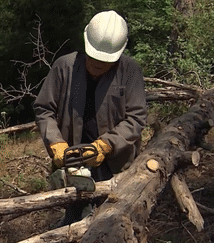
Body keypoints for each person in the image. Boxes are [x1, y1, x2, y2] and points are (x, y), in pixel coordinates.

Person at [33, 10, 147, 225]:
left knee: (113, 220)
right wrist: (55, 143)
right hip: (73, 160)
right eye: (94, 58)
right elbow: (44, 109)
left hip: (115, 164)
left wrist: (105, 145)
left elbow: (137, 118)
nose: (99, 64)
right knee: (74, 221)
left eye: (105, 61)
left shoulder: (130, 71)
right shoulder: (64, 67)